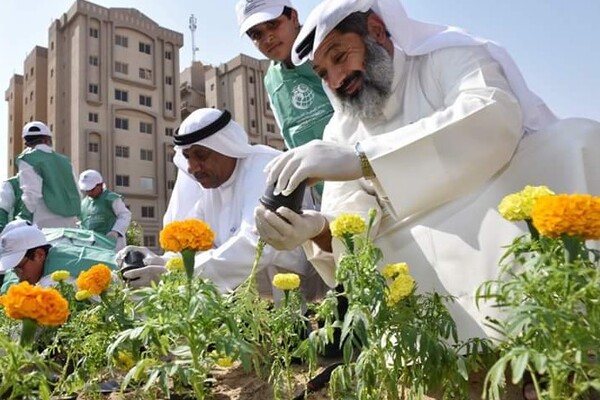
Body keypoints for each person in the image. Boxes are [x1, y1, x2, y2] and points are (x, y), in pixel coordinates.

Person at [255, 0, 600, 342]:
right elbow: (352, 223)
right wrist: (314, 229)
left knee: (575, 141)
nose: (336, 80)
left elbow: (493, 116)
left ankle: (565, 333)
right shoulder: (340, 130)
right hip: (416, 250)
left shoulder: (445, 57)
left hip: (495, 202)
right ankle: (450, 356)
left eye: (340, 57)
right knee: (377, 248)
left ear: (376, 31)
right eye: (323, 74)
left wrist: (365, 160)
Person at [121, 108, 326, 303]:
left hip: (303, 285)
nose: (193, 168)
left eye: (201, 155)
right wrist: (154, 264)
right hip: (245, 295)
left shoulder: (264, 166)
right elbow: (191, 249)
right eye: (187, 157)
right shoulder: (208, 187)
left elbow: (257, 245)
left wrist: (176, 276)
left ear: (225, 146)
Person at [236, 0, 334, 203]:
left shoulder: (329, 45)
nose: (267, 38)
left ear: (294, 17)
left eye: (273, 24)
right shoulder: (271, 79)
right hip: (331, 196)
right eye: (256, 34)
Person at [0, 220, 117, 293]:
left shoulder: (54, 282)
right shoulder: (58, 251)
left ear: (39, 255)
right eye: (15, 271)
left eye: (20, 268)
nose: (20, 278)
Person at [17, 121, 81, 229]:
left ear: (26, 143)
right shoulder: (65, 161)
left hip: (45, 220)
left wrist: (24, 216)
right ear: (48, 139)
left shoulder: (27, 159)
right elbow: (77, 191)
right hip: (71, 220)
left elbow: (32, 193)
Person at [78, 169, 132, 251]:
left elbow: (125, 215)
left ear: (100, 185)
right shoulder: (83, 204)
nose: (89, 193)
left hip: (113, 246)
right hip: (91, 247)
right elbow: (81, 223)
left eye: (92, 190)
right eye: (87, 190)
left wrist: (115, 231)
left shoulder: (111, 199)